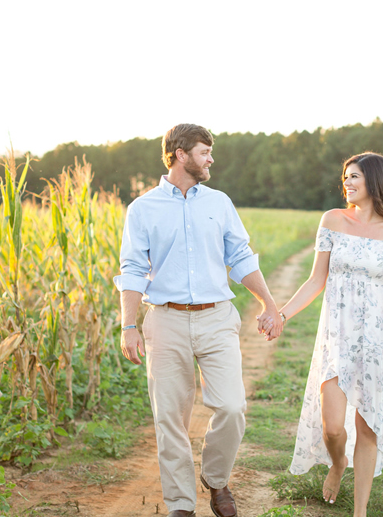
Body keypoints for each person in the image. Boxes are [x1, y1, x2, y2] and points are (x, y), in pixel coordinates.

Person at [114, 123, 283, 517]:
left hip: (216, 318)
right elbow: (133, 269)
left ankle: (216, 478)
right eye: (205, 152)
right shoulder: (142, 209)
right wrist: (128, 325)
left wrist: (269, 304)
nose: (211, 159)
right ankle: (180, 505)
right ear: (179, 154)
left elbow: (240, 258)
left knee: (231, 406)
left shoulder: (219, 203)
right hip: (166, 321)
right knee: (170, 417)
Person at [278, 152, 383, 517]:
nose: (347, 183)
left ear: (375, 181)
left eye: (354, 177)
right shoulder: (333, 220)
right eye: (345, 177)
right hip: (336, 335)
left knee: (367, 427)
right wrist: (283, 314)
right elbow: (315, 280)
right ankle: (337, 464)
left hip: (377, 339)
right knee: (332, 426)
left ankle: (360, 511)